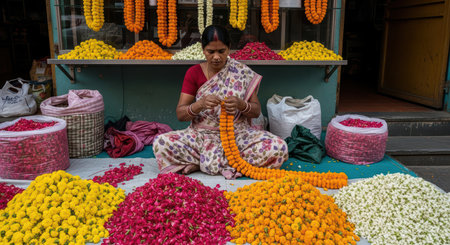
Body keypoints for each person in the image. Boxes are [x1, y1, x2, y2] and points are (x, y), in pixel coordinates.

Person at [153, 25, 288, 179]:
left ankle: (204, 162)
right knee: (161, 143)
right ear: (203, 49)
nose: (216, 57)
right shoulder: (194, 73)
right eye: (211, 52)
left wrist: (241, 104)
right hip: (200, 137)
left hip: (237, 137)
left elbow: (256, 111)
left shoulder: (241, 72)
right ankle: (231, 164)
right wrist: (200, 104)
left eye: (221, 51)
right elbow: (181, 114)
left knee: (279, 147)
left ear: (229, 48)